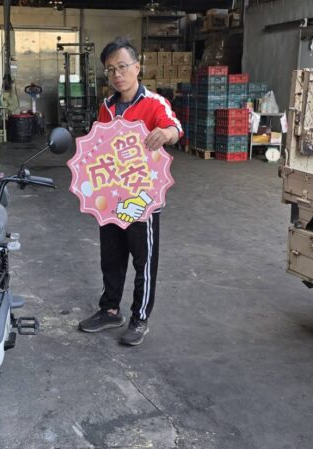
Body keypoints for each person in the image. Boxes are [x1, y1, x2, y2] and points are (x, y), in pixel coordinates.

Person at [77, 37, 183, 346]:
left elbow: (175, 129)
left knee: (143, 260)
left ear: (137, 67)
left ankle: (140, 318)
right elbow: (98, 146)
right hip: (111, 196)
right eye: (110, 70)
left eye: (122, 67)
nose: (117, 74)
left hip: (142, 198)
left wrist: (166, 133)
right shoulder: (107, 107)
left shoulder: (154, 103)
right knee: (111, 256)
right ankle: (110, 310)